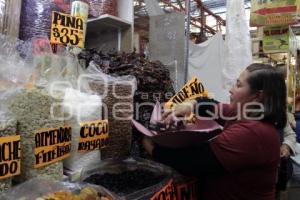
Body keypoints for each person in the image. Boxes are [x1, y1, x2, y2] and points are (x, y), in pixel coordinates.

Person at [143, 63, 287, 200]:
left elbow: (193, 162)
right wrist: (188, 105)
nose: (231, 89)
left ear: (258, 96)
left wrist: (152, 147)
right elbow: (210, 106)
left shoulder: (253, 133)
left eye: (238, 85)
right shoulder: (240, 112)